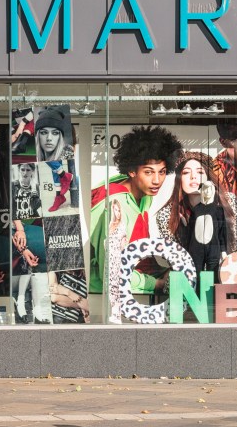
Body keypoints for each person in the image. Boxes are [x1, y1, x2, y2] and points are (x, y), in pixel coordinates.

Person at [89, 125, 182, 295]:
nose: (157, 180)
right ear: (131, 171)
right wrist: (155, 283)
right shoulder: (115, 205)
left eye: (161, 172)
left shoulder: (143, 195)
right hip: (103, 296)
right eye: (148, 172)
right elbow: (111, 273)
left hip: (132, 287)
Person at [36, 105, 77, 213]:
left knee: (53, 163)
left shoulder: (66, 150)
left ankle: (64, 178)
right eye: (44, 132)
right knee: (54, 167)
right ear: (38, 135)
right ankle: (59, 195)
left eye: (55, 133)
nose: (49, 138)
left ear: (60, 136)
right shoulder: (40, 154)